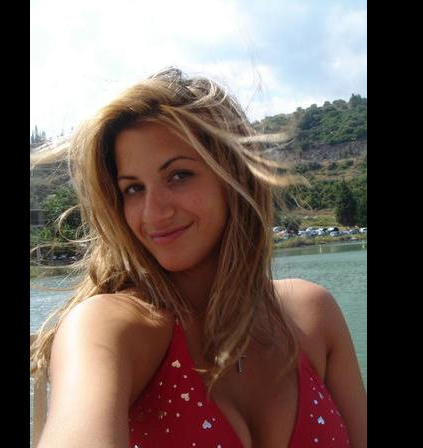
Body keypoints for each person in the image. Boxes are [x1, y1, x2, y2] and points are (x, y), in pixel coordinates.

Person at [31, 67, 367, 448]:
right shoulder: (109, 329)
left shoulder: (314, 316)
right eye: (134, 188)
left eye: (178, 175)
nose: (153, 213)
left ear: (234, 177)